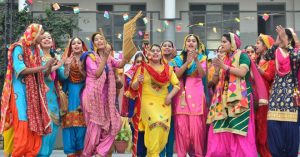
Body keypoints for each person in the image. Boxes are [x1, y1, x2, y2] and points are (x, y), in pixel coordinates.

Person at [206, 32, 267, 157]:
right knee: (220, 126)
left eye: (224, 42)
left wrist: (224, 66)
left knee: (239, 129)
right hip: (222, 99)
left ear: (232, 43)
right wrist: (217, 70)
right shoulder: (223, 58)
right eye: (221, 41)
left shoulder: (243, 55)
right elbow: (216, 80)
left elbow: (242, 72)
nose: (221, 44)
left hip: (241, 98)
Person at [0, 23, 54, 156]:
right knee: (23, 124)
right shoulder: (18, 48)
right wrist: (43, 67)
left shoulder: (37, 50)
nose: (42, 36)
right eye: (41, 33)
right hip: (20, 92)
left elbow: (44, 73)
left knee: (34, 126)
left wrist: (49, 66)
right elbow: (21, 70)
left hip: (34, 94)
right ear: (34, 33)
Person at [80, 32, 129, 157]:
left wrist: (127, 54)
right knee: (95, 127)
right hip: (92, 95)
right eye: (96, 39)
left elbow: (120, 64)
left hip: (106, 97)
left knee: (115, 123)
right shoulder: (90, 56)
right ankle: (88, 153)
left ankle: (100, 152)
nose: (99, 41)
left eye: (101, 38)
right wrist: (105, 57)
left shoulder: (109, 57)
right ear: (93, 43)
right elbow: (97, 73)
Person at [131, 44, 180, 157]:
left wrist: (169, 97)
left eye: (158, 50)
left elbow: (177, 85)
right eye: (153, 51)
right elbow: (133, 87)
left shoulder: (167, 69)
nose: (156, 52)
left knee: (162, 128)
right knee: (156, 122)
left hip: (163, 102)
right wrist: (138, 81)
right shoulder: (142, 68)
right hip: (147, 102)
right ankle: (154, 154)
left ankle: (153, 153)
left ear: (161, 53)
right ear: (149, 54)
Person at [264, 26, 300, 157]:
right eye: (280, 36)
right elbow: (265, 56)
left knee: (290, 129)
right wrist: (276, 44)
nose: (281, 38)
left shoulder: (295, 52)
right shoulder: (276, 51)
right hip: (276, 96)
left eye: (284, 36)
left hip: (291, 95)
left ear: (290, 39)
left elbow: (296, 58)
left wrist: (288, 42)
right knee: (273, 127)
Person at [169, 34, 207, 157]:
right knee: (181, 130)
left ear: (197, 44)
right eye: (188, 41)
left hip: (197, 97)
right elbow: (176, 76)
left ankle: (198, 154)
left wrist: (195, 60)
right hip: (181, 98)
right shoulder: (178, 60)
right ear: (185, 44)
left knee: (197, 131)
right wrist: (187, 62)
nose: (191, 43)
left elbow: (202, 75)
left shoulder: (202, 58)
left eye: (194, 41)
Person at [37, 31, 65, 157]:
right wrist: (56, 65)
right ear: (39, 41)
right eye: (44, 37)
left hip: (53, 98)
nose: (47, 39)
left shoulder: (56, 57)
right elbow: (43, 75)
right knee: (43, 130)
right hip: (40, 97)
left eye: (49, 37)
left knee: (53, 130)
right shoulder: (36, 56)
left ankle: (46, 154)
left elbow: (63, 77)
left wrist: (66, 66)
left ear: (52, 42)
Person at [62, 37, 88, 157]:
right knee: (70, 127)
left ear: (82, 45)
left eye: (79, 43)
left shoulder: (88, 59)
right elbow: (63, 77)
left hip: (85, 91)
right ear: (70, 46)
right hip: (71, 92)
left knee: (84, 129)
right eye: (74, 43)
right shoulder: (67, 59)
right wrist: (67, 66)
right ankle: (70, 152)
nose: (76, 45)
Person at [254, 34, 275, 157]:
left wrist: (258, 69)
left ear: (266, 46)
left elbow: (269, 77)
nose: (256, 45)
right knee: (255, 123)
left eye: (258, 43)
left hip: (264, 97)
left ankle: (264, 153)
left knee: (262, 125)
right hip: (254, 96)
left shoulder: (271, 62)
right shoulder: (256, 60)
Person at [159, 40, 177, 157]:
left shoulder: (176, 63)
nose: (166, 48)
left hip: (174, 98)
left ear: (173, 49)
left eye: (169, 46)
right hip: (158, 100)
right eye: (164, 45)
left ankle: (169, 154)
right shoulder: (156, 62)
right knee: (160, 130)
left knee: (171, 131)